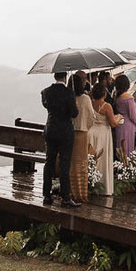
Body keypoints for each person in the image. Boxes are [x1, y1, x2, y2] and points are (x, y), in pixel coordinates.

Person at [40, 72, 79, 207]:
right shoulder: (69, 93)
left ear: (55, 76)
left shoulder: (46, 92)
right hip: (65, 133)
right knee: (64, 164)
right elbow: (74, 113)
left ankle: (46, 195)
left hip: (50, 130)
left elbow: (46, 106)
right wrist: (75, 103)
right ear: (65, 76)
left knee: (49, 162)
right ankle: (65, 198)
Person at [89, 84, 123, 196]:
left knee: (92, 159)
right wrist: (119, 117)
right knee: (102, 159)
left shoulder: (90, 102)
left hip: (92, 132)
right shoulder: (106, 106)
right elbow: (113, 123)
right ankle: (102, 186)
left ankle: (90, 183)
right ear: (104, 94)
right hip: (103, 133)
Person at [70, 72, 96, 202]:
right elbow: (92, 117)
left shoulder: (68, 97)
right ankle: (81, 193)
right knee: (81, 164)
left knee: (71, 163)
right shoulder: (85, 99)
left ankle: (70, 191)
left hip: (69, 133)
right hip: (82, 133)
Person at [112, 74, 136, 160]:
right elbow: (133, 116)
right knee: (127, 148)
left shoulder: (117, 96)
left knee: (119, 147)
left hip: (119, 125)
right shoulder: (129, 98)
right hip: (128, 127)